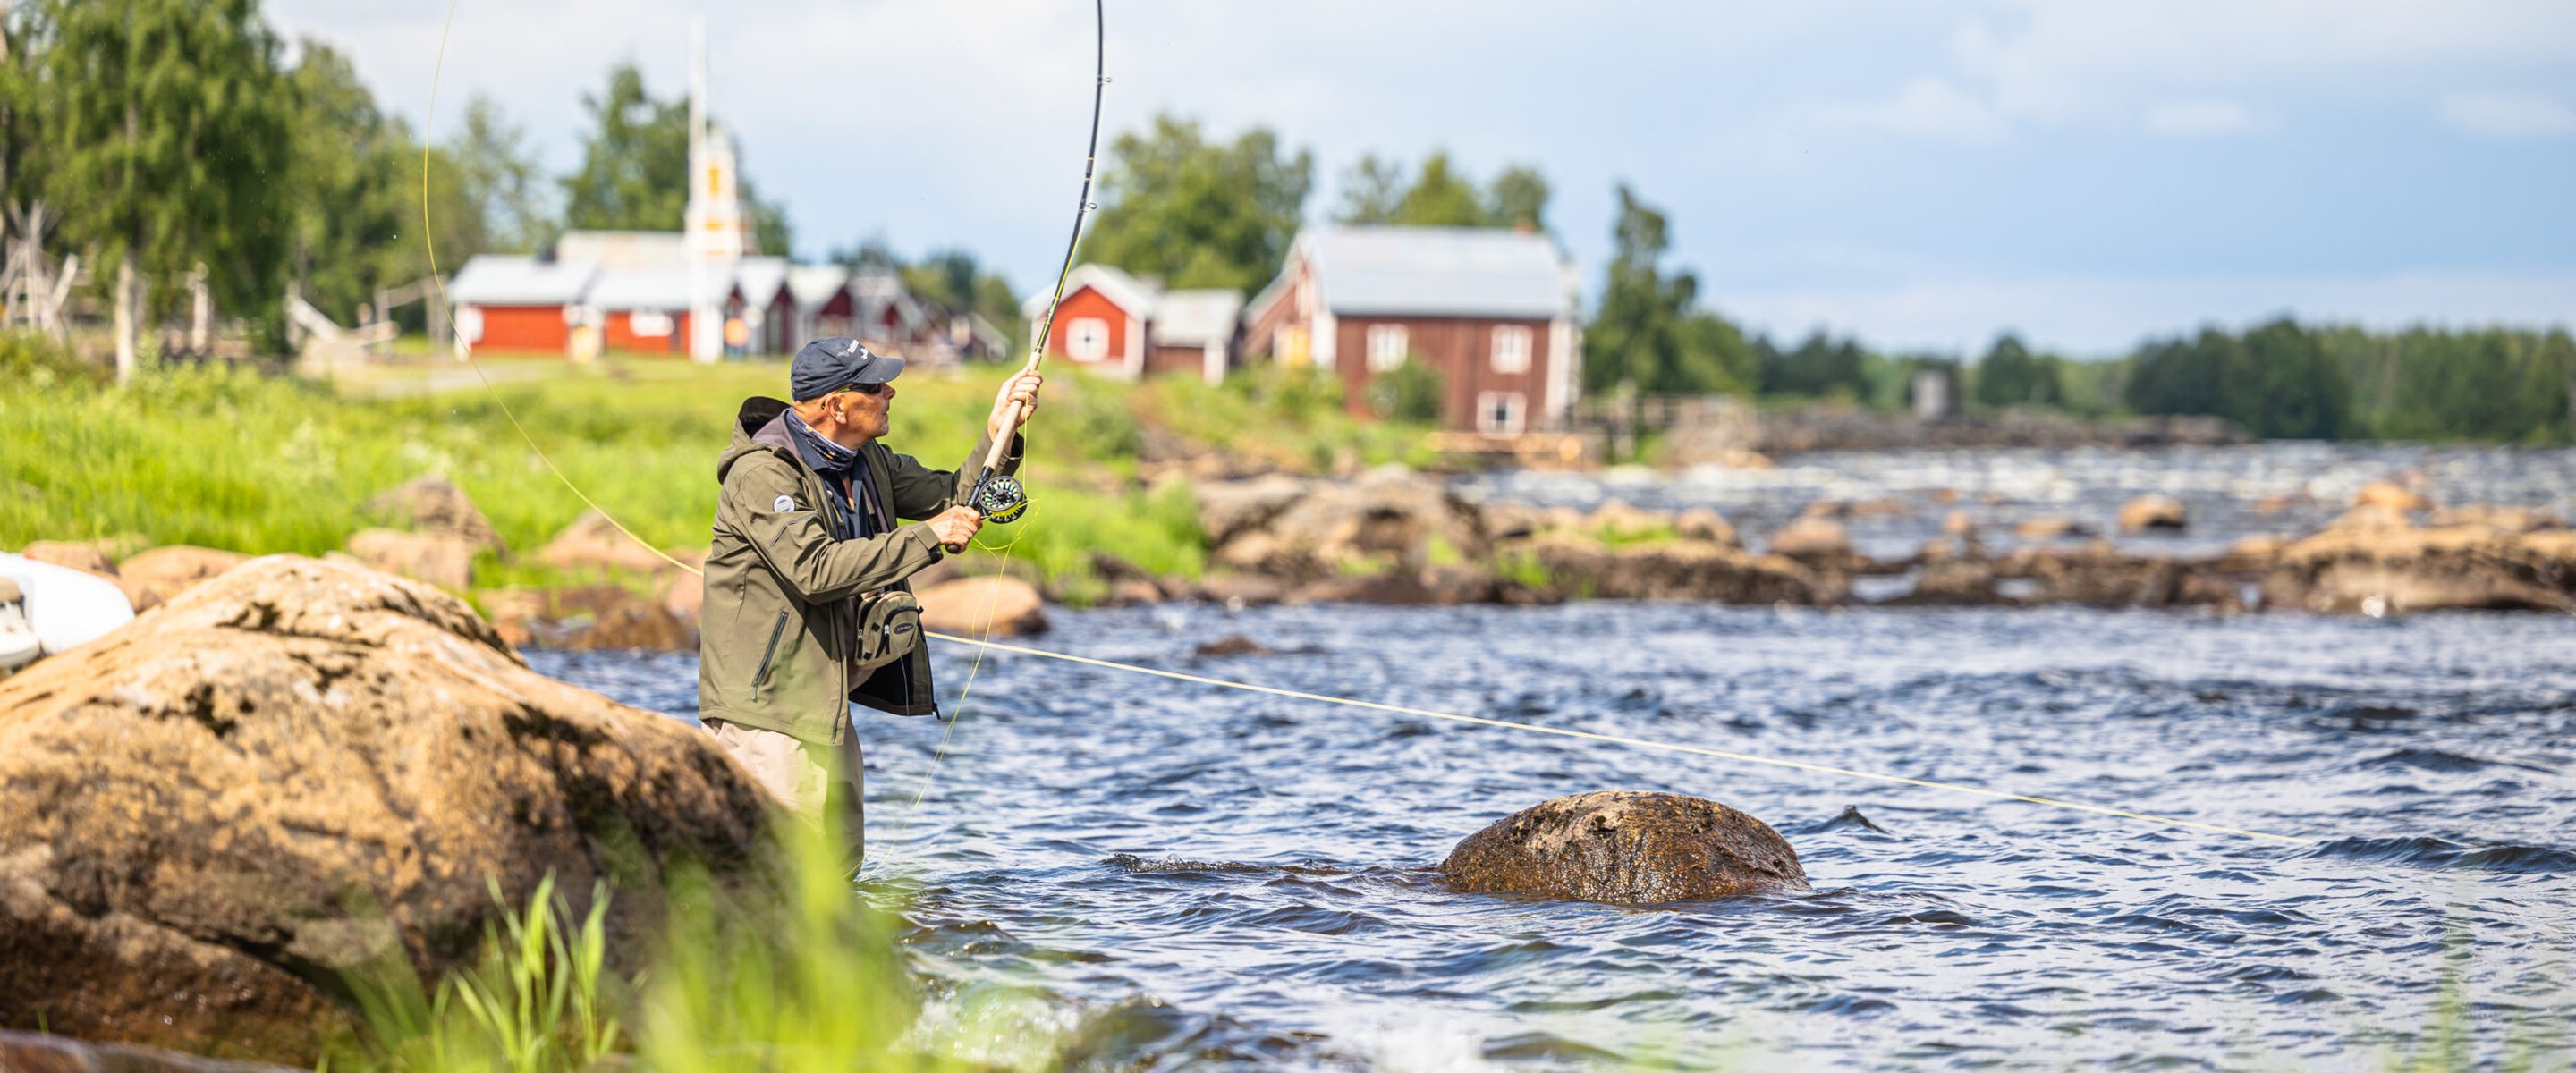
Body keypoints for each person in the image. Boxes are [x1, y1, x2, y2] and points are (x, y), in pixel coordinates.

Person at [697, 336, 1040, 868]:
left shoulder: (868, 460)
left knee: (838, 872)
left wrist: (1001, 432)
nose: (891, 393)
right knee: (782, 878)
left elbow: (954, 497)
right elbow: (815, 570)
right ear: (836, 405)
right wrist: (928, 537)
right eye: (876, 386)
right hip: (766, 710)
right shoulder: (762, 473)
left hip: (825, 704)